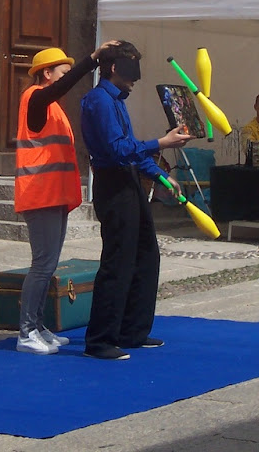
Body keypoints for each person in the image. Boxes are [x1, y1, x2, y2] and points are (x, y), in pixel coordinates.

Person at [80, 42, 192, 360]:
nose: (136, 80)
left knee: (146, 256)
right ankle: (100, 339)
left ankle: (132, 332)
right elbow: (116, 150)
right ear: (115, 68)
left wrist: (160, 175)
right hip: (112, 185)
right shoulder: (99, 101)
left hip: (128, 180)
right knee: (118, 261)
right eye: (131, 71)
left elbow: (131, 149)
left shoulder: (117, 101)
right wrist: (161, 141)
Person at [14, 40, 120, 355]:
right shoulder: (36, 99)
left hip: (53, 194)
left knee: (48, 265)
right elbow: (61, 88)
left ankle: (38, 325)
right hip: (40, 194)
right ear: (47, 73)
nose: (66, 76)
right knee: (42, 264)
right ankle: (26, 332)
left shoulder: (51, 106)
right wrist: (92, 59)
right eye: (62, 71)